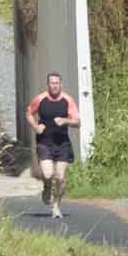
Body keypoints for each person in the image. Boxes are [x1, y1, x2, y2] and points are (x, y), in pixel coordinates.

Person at [26, 72, 81, 220]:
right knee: (48, 174)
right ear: (48, 84)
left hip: (62, 144)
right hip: (44, 142)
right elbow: (29, 113)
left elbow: (77, 121)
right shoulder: (41, 99)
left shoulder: (67, 100)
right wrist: (36, 127)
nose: (54, 85)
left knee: (61, 178)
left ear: (60, 84)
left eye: (57, 83)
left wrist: (65, 121)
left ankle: (56, 206)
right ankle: (47, 186)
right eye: (52, 83)